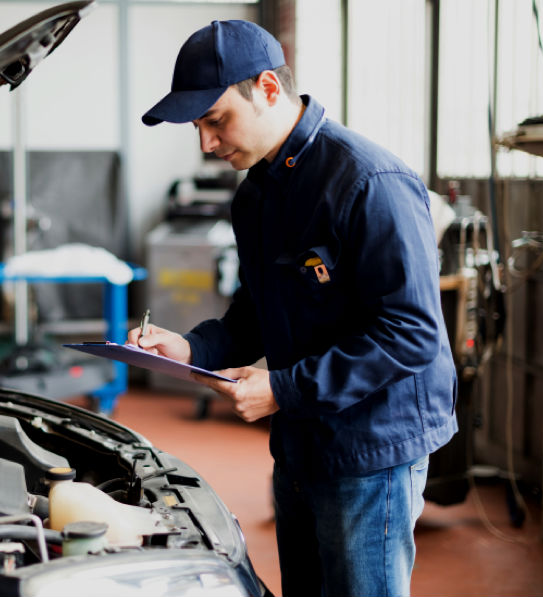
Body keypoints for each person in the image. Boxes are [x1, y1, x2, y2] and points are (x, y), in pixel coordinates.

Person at [130, 20, 458, 597]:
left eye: (215, 119)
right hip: (302, 441)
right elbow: (256, 308)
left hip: (371, 448)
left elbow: (412, 332)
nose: (206, 143)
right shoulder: (256, 194)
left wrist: (283, 390)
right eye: (198, 127)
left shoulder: (370, 181)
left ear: (269, 89)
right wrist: (192, 348)